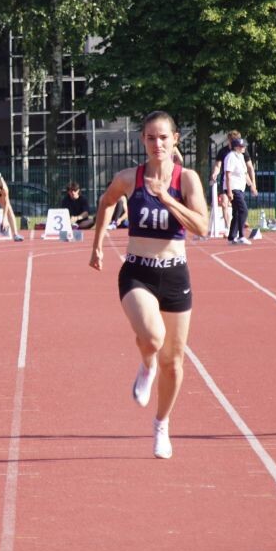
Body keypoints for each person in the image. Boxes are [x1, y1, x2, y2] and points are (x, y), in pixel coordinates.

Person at [89, 111, 209, 459]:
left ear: (175, 141)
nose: (158, 144)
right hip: (137, 272)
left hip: (174, 274)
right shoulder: (129, 178)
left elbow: (201, 226)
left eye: (164, 138)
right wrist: (97, 243)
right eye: (151, 138)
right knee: (154, 338)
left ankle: (161, 424)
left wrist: (167, 198)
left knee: (174, 362)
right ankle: (146, 364)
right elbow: (107, 202)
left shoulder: (186, 180)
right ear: (142, 140)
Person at [223, 137, 255, 244]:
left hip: (240, 188)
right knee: (243, 210)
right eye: (242, 146)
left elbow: (244, 173)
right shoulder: (231, 156)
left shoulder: (241, 157)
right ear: (236, 147)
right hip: (233, 188)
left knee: (236, 212)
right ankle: (241, 235)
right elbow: (228, 174)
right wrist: (229, 191)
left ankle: (232, 238)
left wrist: (252, 186)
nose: (244, 148)